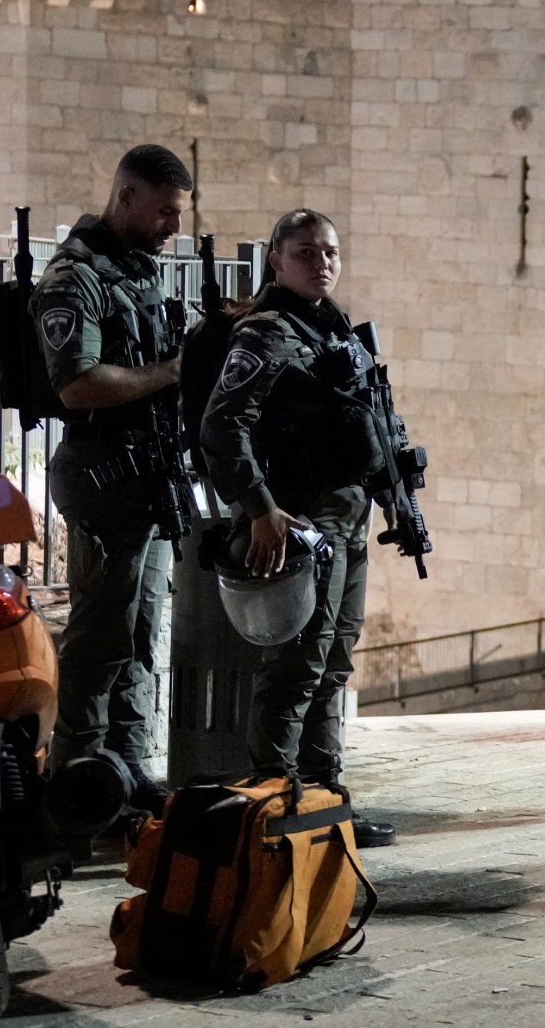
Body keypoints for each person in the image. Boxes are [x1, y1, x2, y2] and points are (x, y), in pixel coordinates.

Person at [198, 210, 399, 848]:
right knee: (297, 666)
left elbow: (370, 419)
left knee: (334, 661)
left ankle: (325, 799)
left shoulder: (333, 328)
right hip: (302, 524)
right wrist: (258, 507)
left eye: (331, 252)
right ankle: (277, 800)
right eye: (307, 252)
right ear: (277, 261)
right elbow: (221, 425)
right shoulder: (266, 333)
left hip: (349, 520)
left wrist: (393, 492)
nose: (323, 263)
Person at [33, 143, 191, 800]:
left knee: (143, 635)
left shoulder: (137, 271)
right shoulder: (76, 279)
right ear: (126, 197)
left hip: (148, 479)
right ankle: (73, 790)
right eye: (163, 213)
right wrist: (171, 373)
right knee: (101, 642)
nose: (172, 229)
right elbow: (78, 386)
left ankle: (128, 781)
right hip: (104, 480)